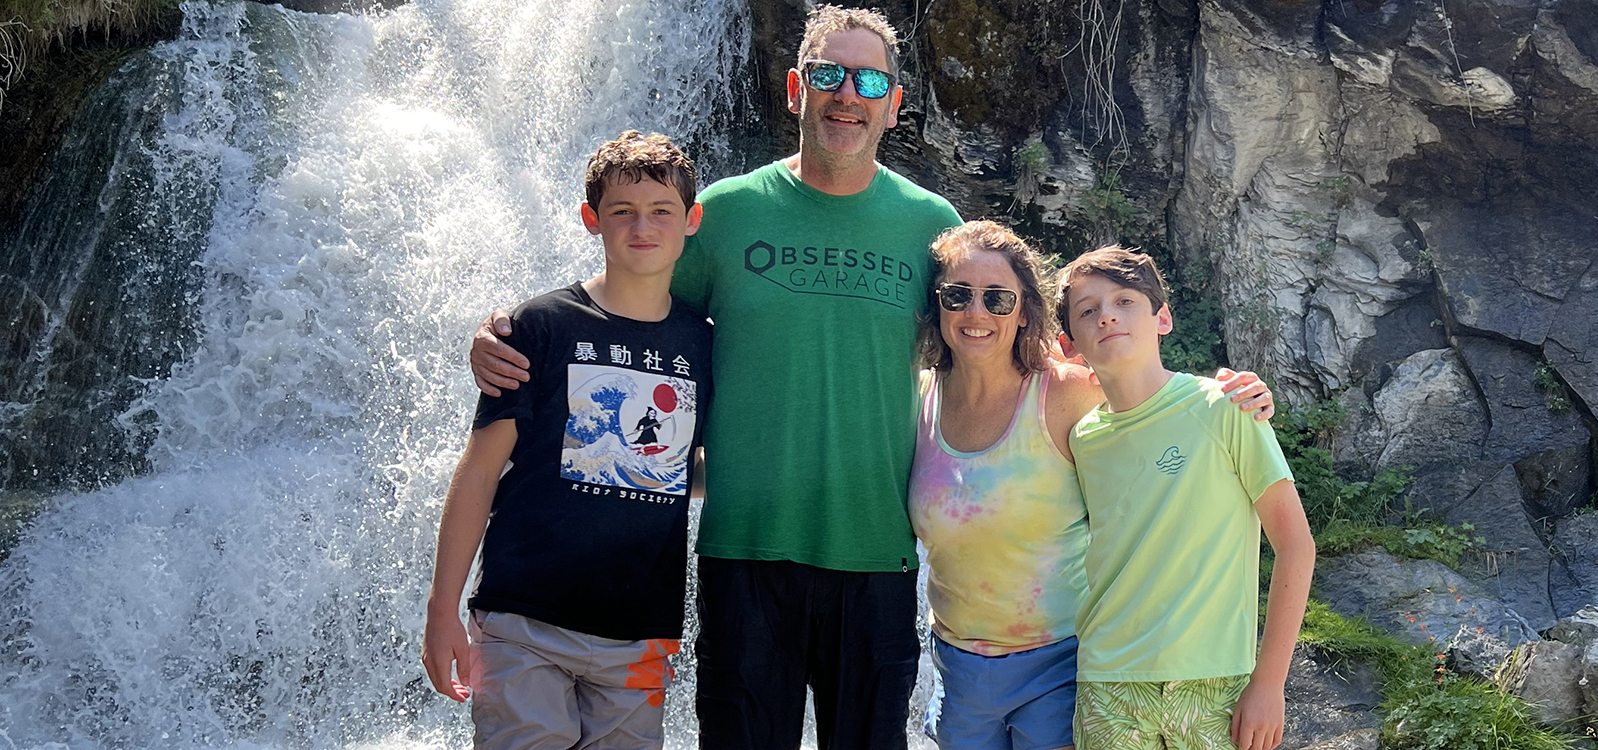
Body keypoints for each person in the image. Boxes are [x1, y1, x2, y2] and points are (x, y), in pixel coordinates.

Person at [469, 7, 961, 748]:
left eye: (867, 80)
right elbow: (624, 304)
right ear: (797, 88)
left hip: (875, 554)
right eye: (828, 74)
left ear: (894, 104)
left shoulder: (931, 225)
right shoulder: (723, 214)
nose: (846, 94)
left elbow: (990, 338)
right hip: (743, 552)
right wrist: (504, 334)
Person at [909, 223, 1274, 750]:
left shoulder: (1068, 393)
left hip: (1063, 661)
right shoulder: (914, 400)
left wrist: (1238, 396)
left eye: (998, 298)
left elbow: (1153, 396)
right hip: (956, 667)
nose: (977, 312)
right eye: (958, 295)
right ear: (936, 304)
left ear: (1023, 309)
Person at [422, 130, 712, 750]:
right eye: (622, 212)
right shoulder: (540, 327)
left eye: (662, 211)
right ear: (590, 219)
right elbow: (479, 471)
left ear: (692, 221)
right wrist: (441, 608)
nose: (643, 226)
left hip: (638, 633)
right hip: (522, 621)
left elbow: (692, 468)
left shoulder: (706, 345)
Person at [1056, 247, 1315, 750]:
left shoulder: (1227, 408)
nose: (1107, 314)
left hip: (1216, 683)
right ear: (1070, 344)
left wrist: (1269, 684)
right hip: (1108, 685)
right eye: (1087, 310)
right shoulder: (1081, 439)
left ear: (1163, 318)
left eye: (1125, 300)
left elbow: (1296, 546)